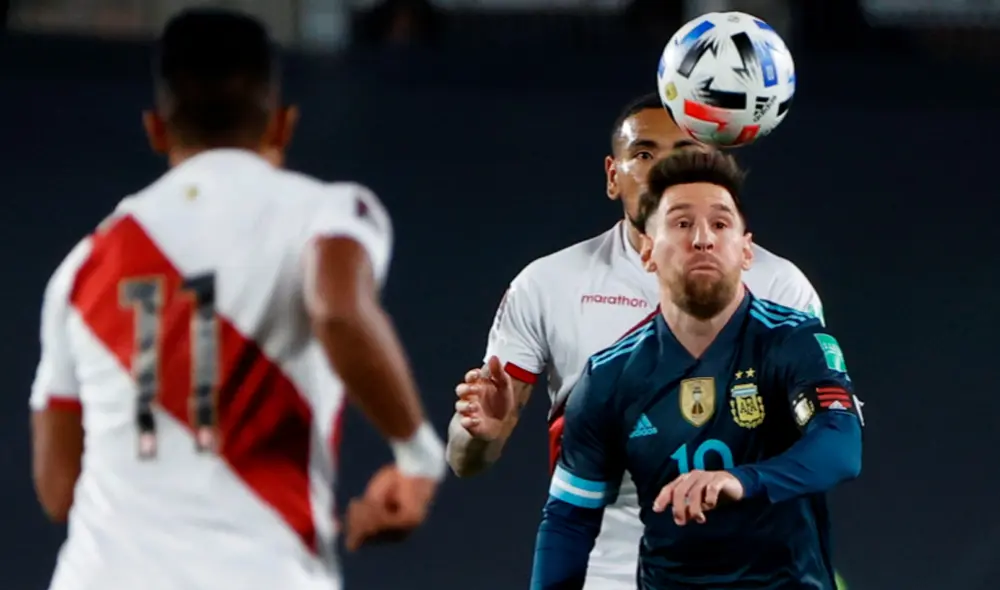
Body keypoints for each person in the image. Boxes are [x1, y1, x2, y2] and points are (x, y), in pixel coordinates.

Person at [28, 9, 444, 590]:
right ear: (282, 125)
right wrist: (418, 458)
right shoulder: (326, 214)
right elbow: (338, 308)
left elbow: (57, 490)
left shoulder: (82, 267)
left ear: (156, 129)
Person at [447, 93, 823, 589]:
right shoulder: (550, 284)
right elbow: (465, 461)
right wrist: (480, 434)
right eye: (644, 154)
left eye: (683, 152)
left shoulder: (781, 288)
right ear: (612, 175)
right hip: (607, 572)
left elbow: (823, 447)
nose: (662, 168)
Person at [529, 148, 864, 589]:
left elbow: (841, 445)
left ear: (746, 250)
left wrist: (742, 481)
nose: (703, 239)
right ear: (648, 251)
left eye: (720, 224)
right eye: (682, 223)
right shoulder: (609, 377)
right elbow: (570, 519)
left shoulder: (795, 342)